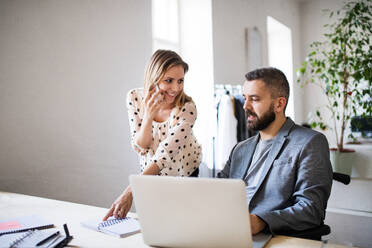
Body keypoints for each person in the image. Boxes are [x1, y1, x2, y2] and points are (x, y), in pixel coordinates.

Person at [217, 67, 333, 235]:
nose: (245, 106)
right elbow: (217, 190)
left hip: (271, 236)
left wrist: (261, 221)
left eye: (254, 99)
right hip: (228, 232)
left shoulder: (310, 142)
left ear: (279, 104)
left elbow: (311, 209)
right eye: (245, 98)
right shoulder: (240, 149)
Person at [103, 50, 202, 221]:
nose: (176, 88)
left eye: (180, 81)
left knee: (180, 222)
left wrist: (131, 190)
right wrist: (148, 115)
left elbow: (165, 155)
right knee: (152, 222)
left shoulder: (187, 108)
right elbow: (141, 146)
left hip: (183, 172)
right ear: (154, 78)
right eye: (168, 81)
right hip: (149, 174)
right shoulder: (134, 97)